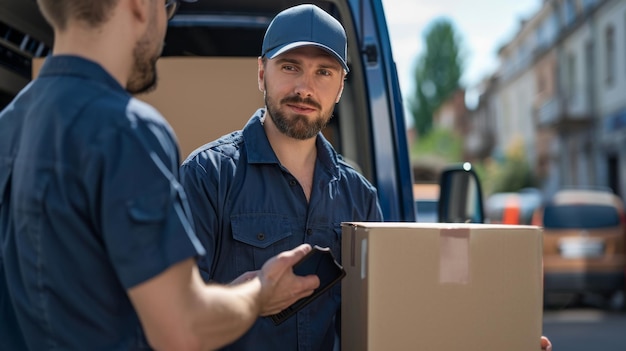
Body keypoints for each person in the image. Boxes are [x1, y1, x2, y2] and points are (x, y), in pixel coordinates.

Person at [180, 4, 553, 351]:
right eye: (290, 67)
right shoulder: (207, 176)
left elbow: (386, 323)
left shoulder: (358, 195)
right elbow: (175, 316)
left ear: (341, 86)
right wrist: (250, 299)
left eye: (323, 72)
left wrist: (499, 338)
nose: (305, 89)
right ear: (262, 73)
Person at [0, 0, 320, 350]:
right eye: (167, 6)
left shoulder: (9, 124)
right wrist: (261, 292)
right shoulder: (128, 130)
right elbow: (184, 329)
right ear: (140, 4)